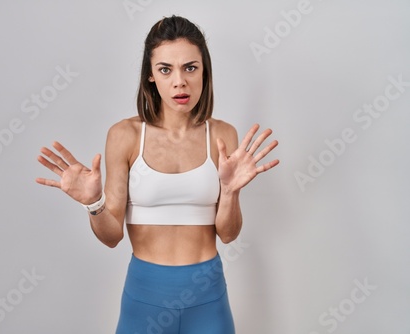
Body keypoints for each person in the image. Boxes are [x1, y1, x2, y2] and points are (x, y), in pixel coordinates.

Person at [36, 15, 279, 334]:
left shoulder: (222, 135)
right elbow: (111, 237)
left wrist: (230, 192)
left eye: (190, 67)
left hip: (208, 297)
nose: (180, 82)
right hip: (144, 297)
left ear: (204, 69)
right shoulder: (125, 135)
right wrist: (94, 201)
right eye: (166, 69)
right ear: (150, 75)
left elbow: (228, 234)